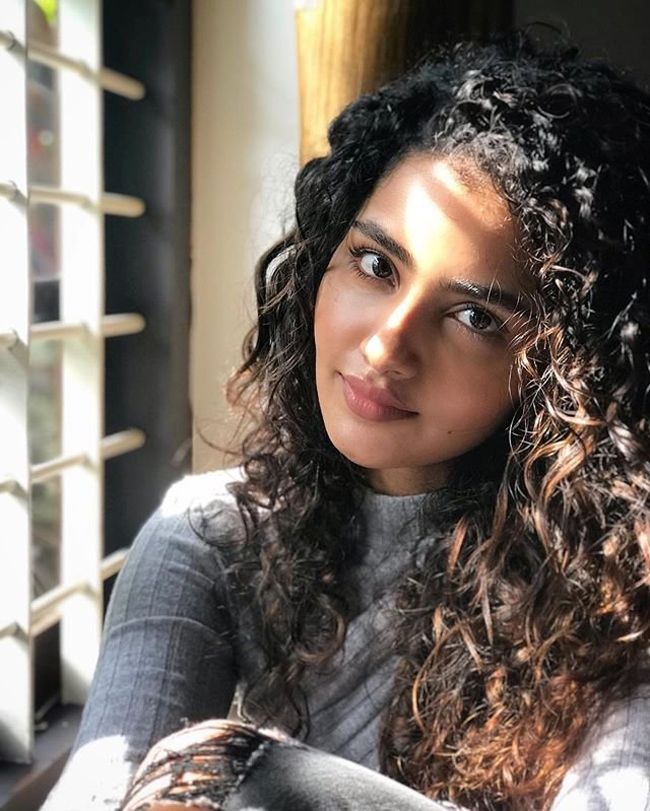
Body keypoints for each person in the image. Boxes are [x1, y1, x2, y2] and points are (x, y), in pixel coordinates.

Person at [42, 31, 650, 811]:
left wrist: (249, 776)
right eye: (375, 264)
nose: (386, 344)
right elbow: (101, 788)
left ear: (566, 373)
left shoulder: (613, 595)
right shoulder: (212, 539)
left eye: (473, 316)